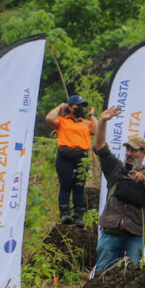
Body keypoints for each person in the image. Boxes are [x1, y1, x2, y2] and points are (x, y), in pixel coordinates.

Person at [92, 107, 145, 271]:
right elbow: (100, 147)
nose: (129, 153)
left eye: (134, 150)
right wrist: (103, 121)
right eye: (128, 149)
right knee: (102, 274)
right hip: (111, 231)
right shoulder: (115, 168)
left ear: (144, 153)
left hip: (135, 235)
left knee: (130, 276)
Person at [45, 95, 96, 226]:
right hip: (65, 156)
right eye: (77, 106)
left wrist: (92, 115)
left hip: (81, 157)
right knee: (65, 185)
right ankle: (65, 214)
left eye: (82, 106)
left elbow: (96, 130)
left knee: (79, 186)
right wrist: (60, 106)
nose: (80, 108)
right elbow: (49, 118)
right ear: (70, 107)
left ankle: (79, 215)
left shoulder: (86, 123)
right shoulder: (62, 121)